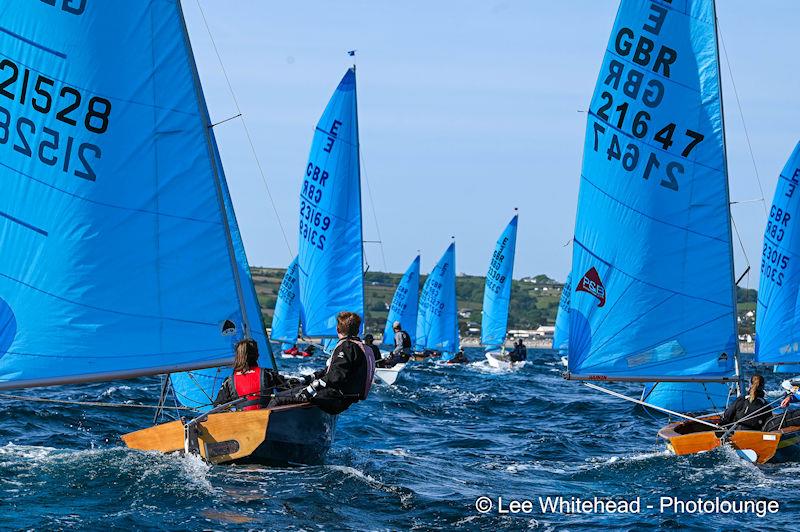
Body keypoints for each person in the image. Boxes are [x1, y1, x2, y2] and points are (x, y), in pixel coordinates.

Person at [270, 311, 375, 415]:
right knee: (292, 387)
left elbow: (336, 376)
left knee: (278, 398)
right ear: (357, 330)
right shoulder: (359, 346)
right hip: (343, 399)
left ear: (337, 329)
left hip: (335, 399)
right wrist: (306, 379)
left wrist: (311, 389)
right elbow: (332, 371)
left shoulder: (346, 347)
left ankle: (259, 426)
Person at [213, 339, 298, 410]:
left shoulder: (229, 381)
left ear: (237, 357)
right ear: (257, 356)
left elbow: (217, 407)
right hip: (267, 419)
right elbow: (289, 389)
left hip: (243, 421)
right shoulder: (268, 374)